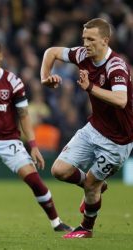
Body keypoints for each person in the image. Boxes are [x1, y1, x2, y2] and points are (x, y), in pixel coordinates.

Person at [0, 38, 72, 234]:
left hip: (10, 140)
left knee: (35, 181)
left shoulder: (13, 82)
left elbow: (24, 115)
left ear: (1, 56)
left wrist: (34, 145)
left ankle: (56, 222)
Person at [40, 18, 133, 238]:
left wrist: (90, 87)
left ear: (105, 40)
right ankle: (96, 187)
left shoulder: (116, 66)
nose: (86, 44)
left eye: (91, 39)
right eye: (84, 39)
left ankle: (86, 228)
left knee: (91, 184)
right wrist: (45, 77)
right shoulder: (82, 54)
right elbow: (51, 52)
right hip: (94, 128)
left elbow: (121, 99)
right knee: (59, 171)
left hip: (118, 140)